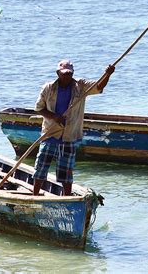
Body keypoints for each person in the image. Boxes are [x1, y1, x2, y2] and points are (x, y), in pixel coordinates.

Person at [33, 59, 115, 196]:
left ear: (73, 73)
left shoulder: (80, 86)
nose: (67, 77)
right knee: (41, 167)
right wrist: (54, 117)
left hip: (69, 135)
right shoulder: (48, 88)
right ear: (58, 73)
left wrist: (107, 74)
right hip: (50, 134)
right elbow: (39, 108)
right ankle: (35, 195)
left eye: (69, 74)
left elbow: (99, 87)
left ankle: (67, 198)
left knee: (66, 171)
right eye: (64, 74)